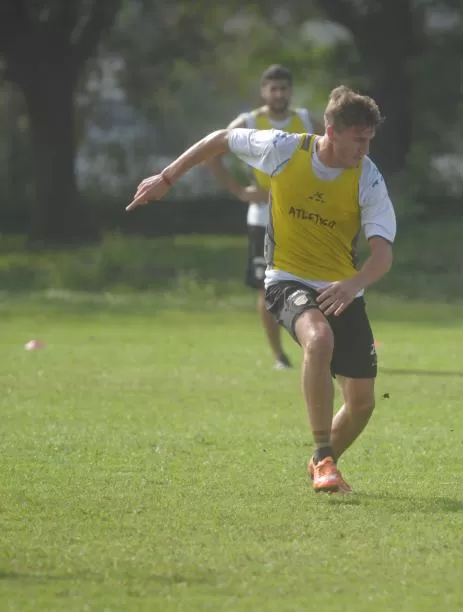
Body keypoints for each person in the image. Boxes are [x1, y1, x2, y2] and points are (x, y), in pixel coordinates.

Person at [127, 86, 396, 494]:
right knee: (318, 339)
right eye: (358, 139)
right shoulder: (284, 149)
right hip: (287, 278)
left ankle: (320, 463)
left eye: (369, 139)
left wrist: (354, 284)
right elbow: (219, 139)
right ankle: (324, 457)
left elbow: (382, 254)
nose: (365, 147)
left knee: (361, 404)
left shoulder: (369, 178)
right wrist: (166, 178)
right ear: (332, 130)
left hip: (342, 288)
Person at [207, 64, 325, 370]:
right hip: (263, 218)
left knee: (316, 282)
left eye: (283, 88)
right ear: (264, 92)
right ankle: (279, 356)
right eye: (272, 88)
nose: (278, 94)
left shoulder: (305, 121)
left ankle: (317, 347)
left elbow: (333, 152)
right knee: (266, 288)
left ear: (290, 91)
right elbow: (213, 152)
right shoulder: (249, 122)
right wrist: (240, 191)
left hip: (303, 217)